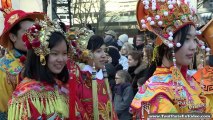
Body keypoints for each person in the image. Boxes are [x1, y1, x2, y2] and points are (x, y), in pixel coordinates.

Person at [131, 0, 212, 119]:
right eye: (186, 39)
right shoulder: (158, 91)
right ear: (167, 42)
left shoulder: (190, 81)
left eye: (194, 39)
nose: (194, 46)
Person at [8, 16, 70, 119]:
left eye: (64, 53)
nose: (61, 59)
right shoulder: (26, 94)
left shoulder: (62, 86)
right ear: (41, 55)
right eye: (54, 54)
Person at [0, 4, 44, 118]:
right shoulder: (4, 69)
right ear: (13, 37)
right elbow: (4, 110)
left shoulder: (42, 59)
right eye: (28, 32)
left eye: (35, 31)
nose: (34, 36)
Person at [69, 33, 118, 119]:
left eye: (104, 50)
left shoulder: (103, 77)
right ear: (86, 54)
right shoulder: (79, 78)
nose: (103, 55)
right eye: (98, 51)